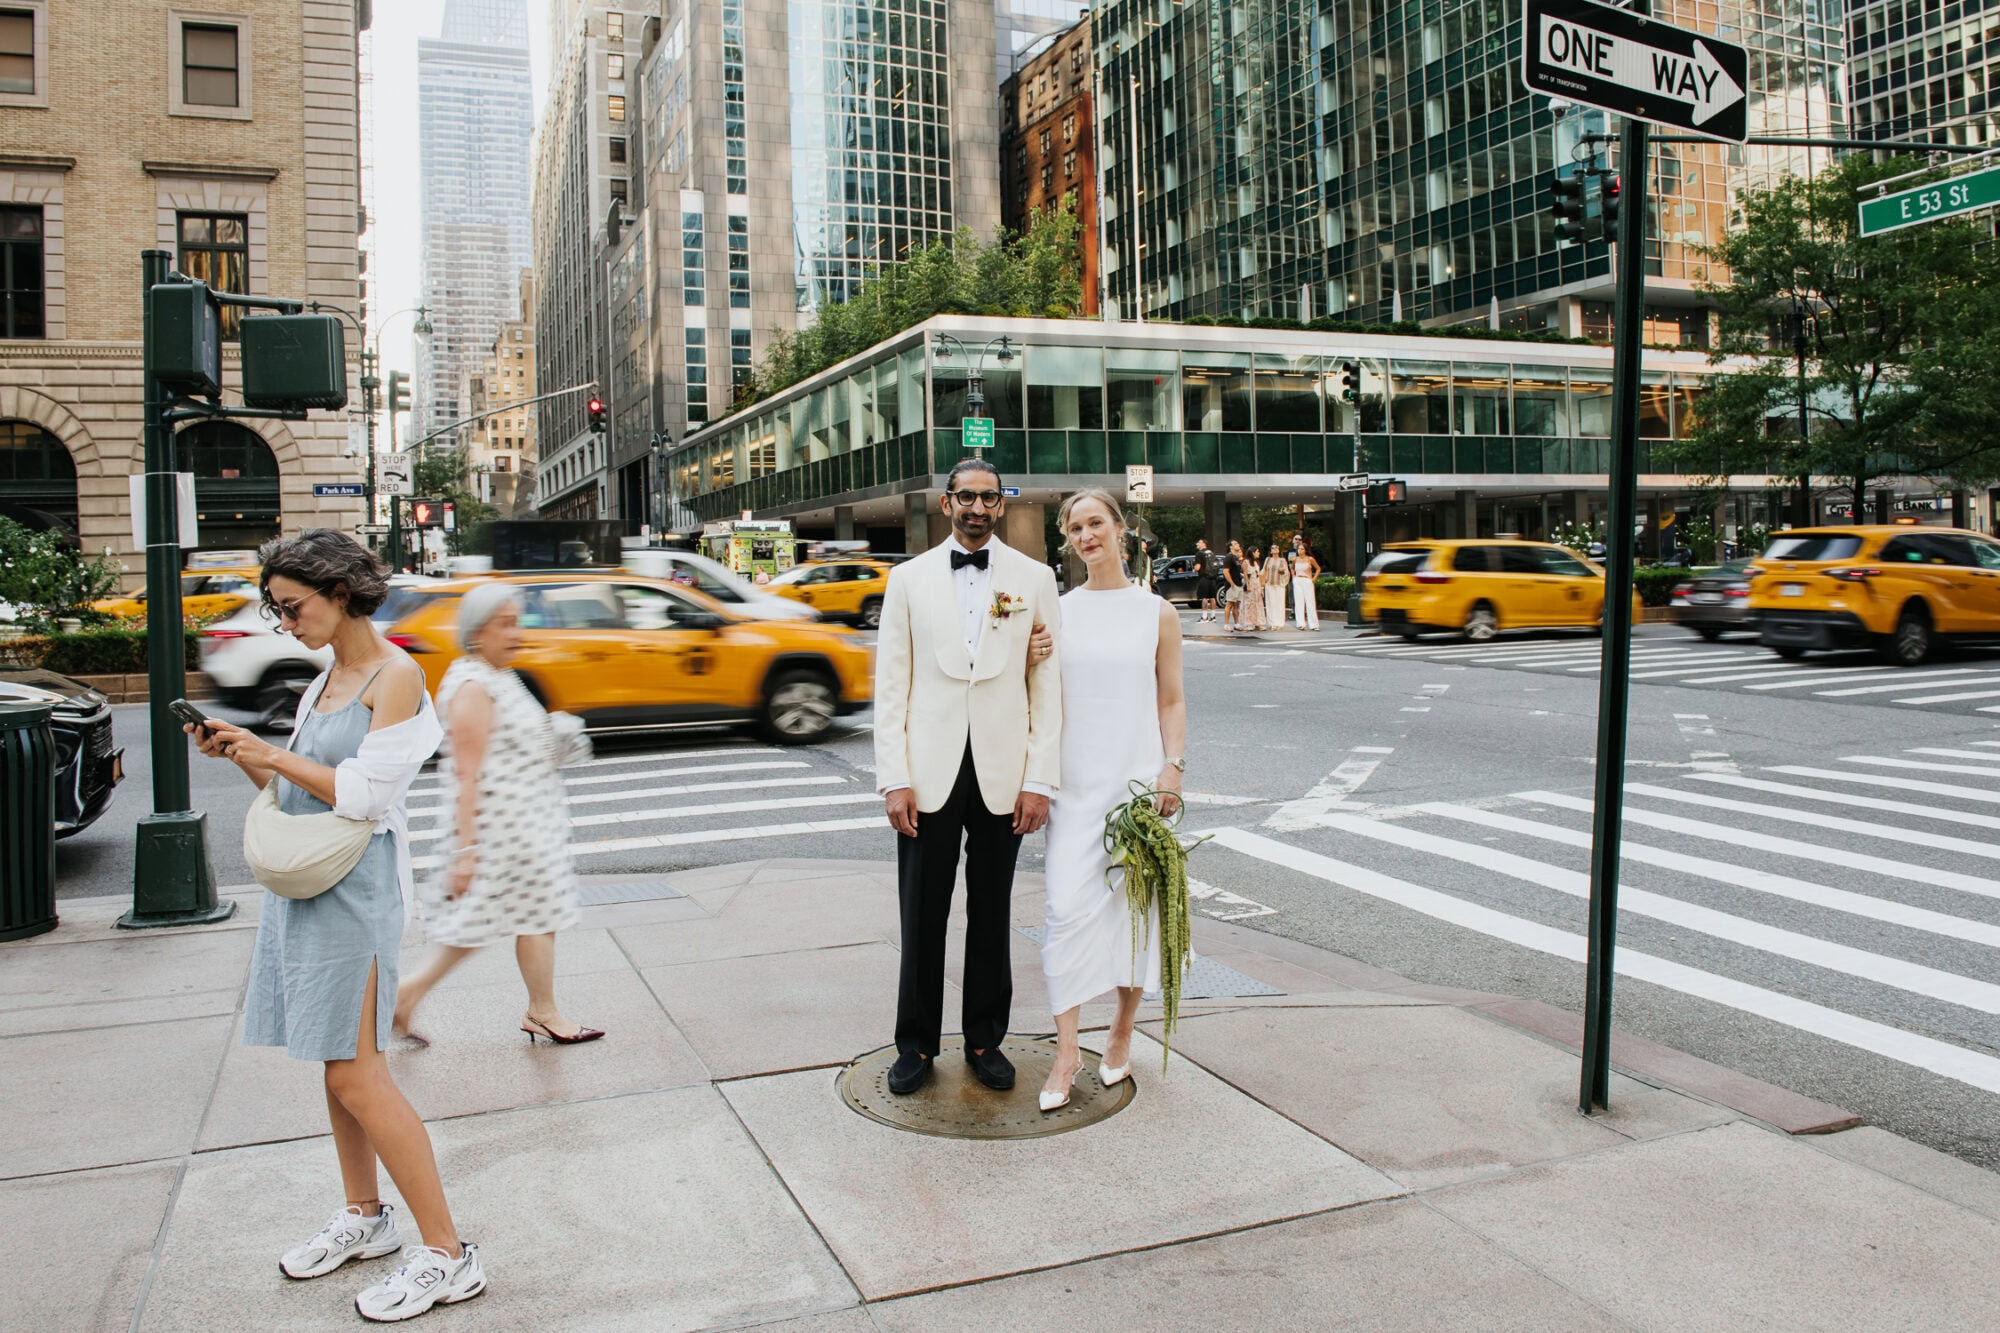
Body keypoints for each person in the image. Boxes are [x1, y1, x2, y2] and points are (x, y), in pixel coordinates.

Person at [187, 529, 485, 1322]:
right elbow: (299, 789)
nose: (285, 623)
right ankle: (365, 1215)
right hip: (310, 885)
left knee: (359, 1073)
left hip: (355, 893)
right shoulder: (328, 677)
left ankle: (450, 1255)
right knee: (334, 1067)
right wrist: (239, 753)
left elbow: (362, 795)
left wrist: (273, 756)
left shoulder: (397, 674)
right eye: (276, 610)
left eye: (293, 606)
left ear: (340, 590)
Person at [873, 459, 1063, 1096]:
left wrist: (1040, 780)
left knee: (992, 911)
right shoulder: (907, 579)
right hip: (927, 774)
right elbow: (891, 686)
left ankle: (985, 1038)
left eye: (989, 497)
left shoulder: (1034, 579)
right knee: (920, 915)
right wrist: (894, 779)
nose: (977, 508)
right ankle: (916, 1046)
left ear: (1002, 504)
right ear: (946, 502)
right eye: (966, 497)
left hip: (1003, 776)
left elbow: (1047, 686)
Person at [392, 581, 601, 1048]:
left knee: (512, 919)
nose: (516, 632)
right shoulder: (473, 685)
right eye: (505, 623)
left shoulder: (499, 675)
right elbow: (465, 773)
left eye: (517, 621)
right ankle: (540, 1011)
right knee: (515, 918)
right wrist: (466, 851)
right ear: (477, 631)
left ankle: (409, 998)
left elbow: (515, 745)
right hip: (501, 830)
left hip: (528, 823)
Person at [1037, 489, 1187, 1110]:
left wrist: (1171, 769)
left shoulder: (1157, 613)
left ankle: (1122, 1031)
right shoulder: (1058, 611)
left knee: (1134, 915)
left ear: (1121, 529)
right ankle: (1067, 1050)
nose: (1086, 534)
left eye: (1096, 522)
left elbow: (1171, 700)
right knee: (1066, 911)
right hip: (1073, 788)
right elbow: (1039, 694)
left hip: (1134, 786)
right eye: (1075, 527)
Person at [1290, 539, 1322, 632]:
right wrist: (1293, 576)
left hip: (1307, 580)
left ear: (1305, 550)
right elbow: (1292, 568)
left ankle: (1314, 624)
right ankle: (1300, 624)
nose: (1300, 550)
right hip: (1298, 580)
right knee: (1299, 602)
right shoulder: (1295, 559)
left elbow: (1318, 569)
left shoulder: (1310, 559)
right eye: (1299, 549)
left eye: (1302, 549)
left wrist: (1313, 579)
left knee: (1310, 602)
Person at [1261, 543, 1289, 629]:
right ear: (1271, 551)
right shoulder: (1268, 559)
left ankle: (1280, 623)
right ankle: (1273, 623)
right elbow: (1264, 571)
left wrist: (1283, 571)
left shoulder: (1282, 560)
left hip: (1279, 584)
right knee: (1270, 603)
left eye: (1276, 548)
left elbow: (1287, 572)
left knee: (1279, 604)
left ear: (1279, 550)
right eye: (1273, 548)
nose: (1275, 549)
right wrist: (1262, 584)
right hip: (1269, 584)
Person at [1242, 541, 1266, 630]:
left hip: (1257, 584)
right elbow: (1245, 574)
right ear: (1253, 553)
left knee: (1258, 603)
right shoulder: (1246, 562)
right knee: (1250, 603)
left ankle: (1258, 622)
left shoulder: (1256, 563)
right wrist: (1248, 585)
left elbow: (1258, 574)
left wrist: (1261, 587)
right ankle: (1249, 623)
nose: (1259, 553)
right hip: (1251, 583)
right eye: (1257, 551)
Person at [1193, 538, 1218, 622]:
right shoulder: (1211, 553)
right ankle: (1213, 617)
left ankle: (1204, 617)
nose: (1197, 544)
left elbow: (1198, 567)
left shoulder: (1199, 554)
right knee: (1212, 597)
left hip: (1204, 578)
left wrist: (1194, 569)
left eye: (1199, 542)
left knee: (1204, 597)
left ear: (1204, 544)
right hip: (1213, 578)